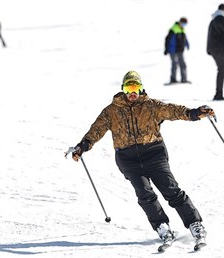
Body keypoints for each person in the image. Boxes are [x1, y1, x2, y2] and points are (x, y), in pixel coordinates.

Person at [71, 70, 213, 248]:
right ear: (123, 89)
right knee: (145, 194)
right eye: (128, 88)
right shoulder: (111, 111)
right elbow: (96, 130)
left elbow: (174, 111)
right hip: (127, 159)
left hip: (154, 154)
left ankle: (195, 224)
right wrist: (83, 146)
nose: (132, 93)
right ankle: (162, 226)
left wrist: (194, 113)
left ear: (140, 89)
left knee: (171, 190)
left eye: (135, 88)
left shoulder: (151, 106)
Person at [164, 17, 191, 84]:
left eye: (185, 24)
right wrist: (166, 49)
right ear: (180, 22)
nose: (184, 25)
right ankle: (173, 79)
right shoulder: (173, 29)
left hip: (180, 50)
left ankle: (184, 79)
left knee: (182, 64)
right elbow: (167, 39)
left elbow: (185, 38)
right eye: (183, 23)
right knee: (174, 64)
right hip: (173, 50)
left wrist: (187, 44)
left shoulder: (182, 29)